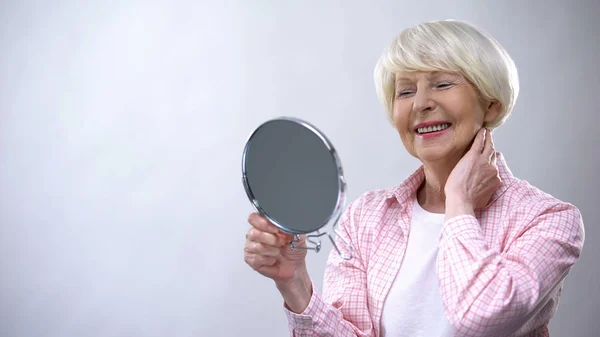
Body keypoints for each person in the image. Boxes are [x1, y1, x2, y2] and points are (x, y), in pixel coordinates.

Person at [243, 19, 585, 337]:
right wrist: (295, 283)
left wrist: (460, 203)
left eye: (443, 84)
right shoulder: (366, 218)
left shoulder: (548, 220)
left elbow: (479, 316)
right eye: (405, 91)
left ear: (492, 105)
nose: (420, 104)